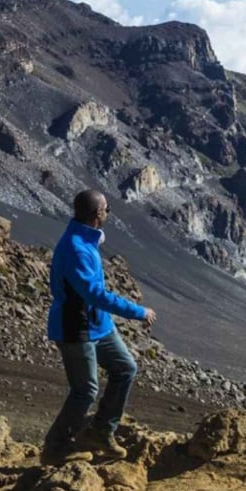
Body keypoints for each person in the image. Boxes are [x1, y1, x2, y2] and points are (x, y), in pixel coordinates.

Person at [41, 189, 156, 465]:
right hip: (75, 327)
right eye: (106, 209)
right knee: (85, 389)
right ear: (97, 214)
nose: (108, 213)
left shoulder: (85, 241)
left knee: (125, 367)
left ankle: (102, 432)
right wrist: (139, 312)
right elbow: (95, 294)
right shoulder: (76, 249)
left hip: (98, 324)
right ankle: (55, 447)